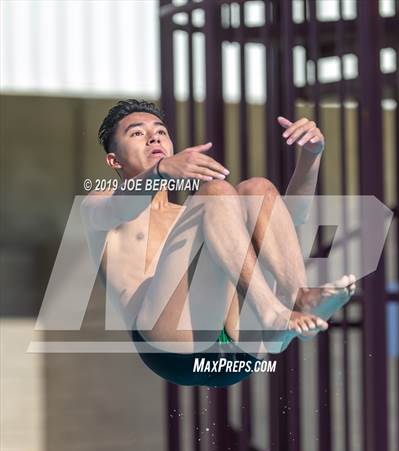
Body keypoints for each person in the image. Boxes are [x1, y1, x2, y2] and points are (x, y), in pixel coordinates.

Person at [81, 99, 355, 387]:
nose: (154, 137)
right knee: (215, 192)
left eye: (161, 131)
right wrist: (159, 171)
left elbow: (289, 219)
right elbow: (120, 208)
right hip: (171, 348)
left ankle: (296, 299)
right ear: (114, 160)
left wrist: (311, 156)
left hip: (239, 349)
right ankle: (272, 314)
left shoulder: (199, 216)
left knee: (256, 189)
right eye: (137, 133)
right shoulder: (99, 202)